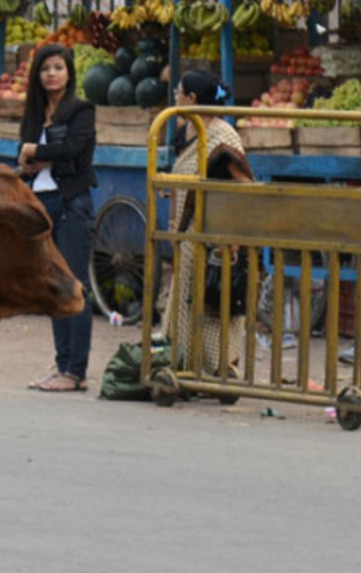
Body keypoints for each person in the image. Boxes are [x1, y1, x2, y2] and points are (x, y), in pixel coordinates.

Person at [17, 43, 97, 392]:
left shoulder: (81, 110)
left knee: (74, 284)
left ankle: (75, 372)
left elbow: (74, 151)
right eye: (46, 68)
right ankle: (61, 364)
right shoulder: (35, 113)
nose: (52, 74)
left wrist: (38, 152)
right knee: (52, 286)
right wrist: (27, 160)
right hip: (41, 204)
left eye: (58, 68)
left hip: (72, 205)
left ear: (69, 73)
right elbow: (25, 152)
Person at [162, 70, 250, 376]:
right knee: (186, 303)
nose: (175, 97)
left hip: (216, 236)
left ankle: (222, 371)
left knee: (215, 306)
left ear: (192, 99)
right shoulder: (184, 131)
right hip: (186, 236)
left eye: (178, 92)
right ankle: (187, 368)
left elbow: (242, 187)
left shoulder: (224, 136)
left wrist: (233, 235)